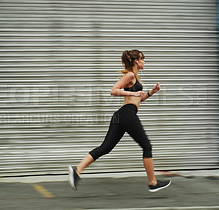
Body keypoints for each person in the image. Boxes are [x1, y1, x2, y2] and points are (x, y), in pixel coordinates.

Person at [68, 49, 171, 192]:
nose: (144, 62)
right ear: (136, 61)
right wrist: (133, 92)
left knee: (106, 148)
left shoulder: (135, 77)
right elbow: (114, 90)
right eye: (143, 59)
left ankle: (77, 171)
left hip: (121, 115)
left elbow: (138, 98)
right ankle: (153, 183)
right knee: (147, 146)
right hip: (126, 114)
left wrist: (151, 92)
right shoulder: (130, 75)